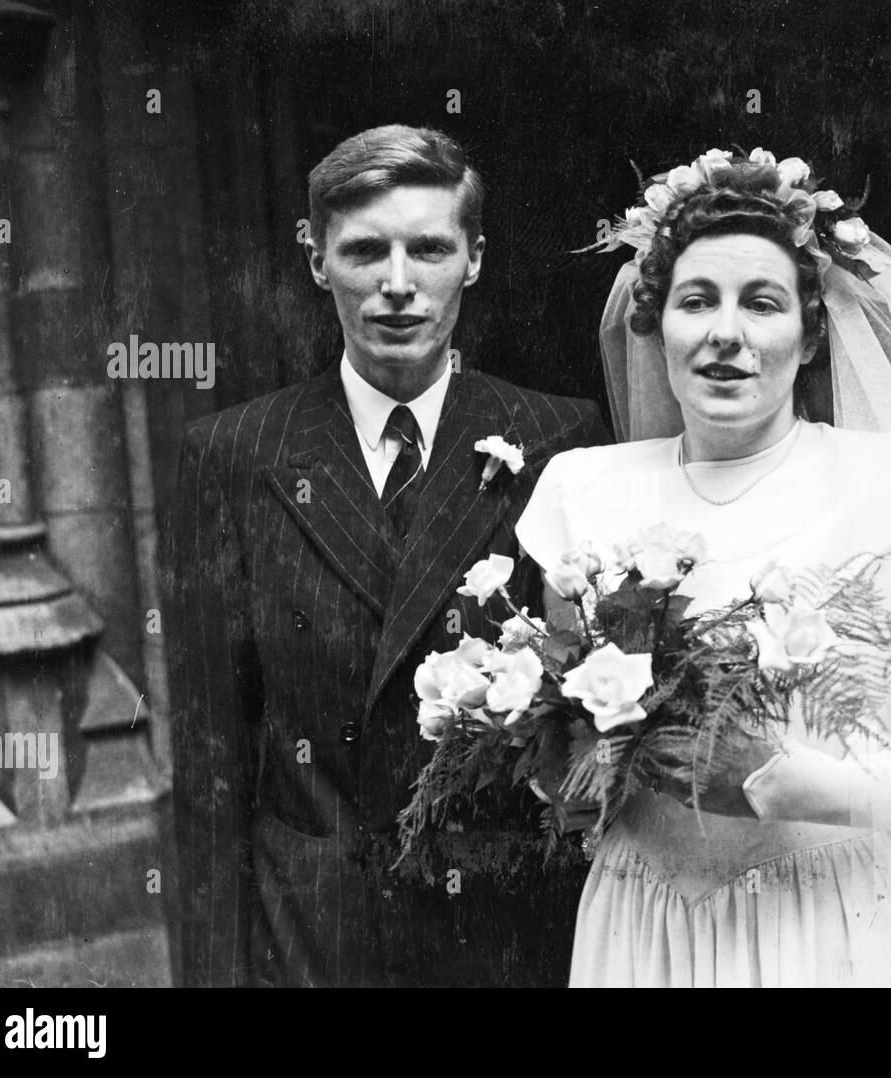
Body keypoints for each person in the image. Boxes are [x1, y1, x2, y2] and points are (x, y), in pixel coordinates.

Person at [515, 147, 891, 987]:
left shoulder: (883, 483)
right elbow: (565, 750)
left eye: (761, 303)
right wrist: (558, 773)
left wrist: (770, 781)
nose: (727, 334)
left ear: (809, 330)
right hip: (639, 923)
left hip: (828, 924)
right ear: (657, 323)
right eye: (695, 301)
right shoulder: (584, 491)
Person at [167, 124, 609, 987]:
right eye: (366, 250)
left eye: (429, 248)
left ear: (473, 259)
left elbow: (588, 740)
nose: (397, 285)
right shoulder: (234, 456)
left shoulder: (560, 439)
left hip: (504, 935)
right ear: (317, 261)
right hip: (312, 934)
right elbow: (210, 763)